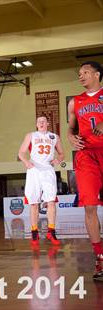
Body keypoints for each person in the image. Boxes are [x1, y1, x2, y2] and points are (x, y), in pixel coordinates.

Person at [67, 61, 103, 281]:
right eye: (79, 73)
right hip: (86, 155)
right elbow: (71, 127)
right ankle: (100, 257)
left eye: (86, 72)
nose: (81, 76)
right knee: (89, 206)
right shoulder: (75, 101)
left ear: (97, 74)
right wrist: (70, 136)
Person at [18, 116, 65, 246]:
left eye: (44, 121)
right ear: (36, 124)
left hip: (48, 170)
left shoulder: (54, 137)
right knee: (33, 202)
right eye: (39, 121)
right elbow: (21, 152)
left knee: (51, 201)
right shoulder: (31, 135)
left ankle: (51, 231)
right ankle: (34, 232)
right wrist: (26, 162)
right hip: (34, 169)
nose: (41, 123)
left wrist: (58, 160)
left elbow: (62, 154)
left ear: (48, 123)